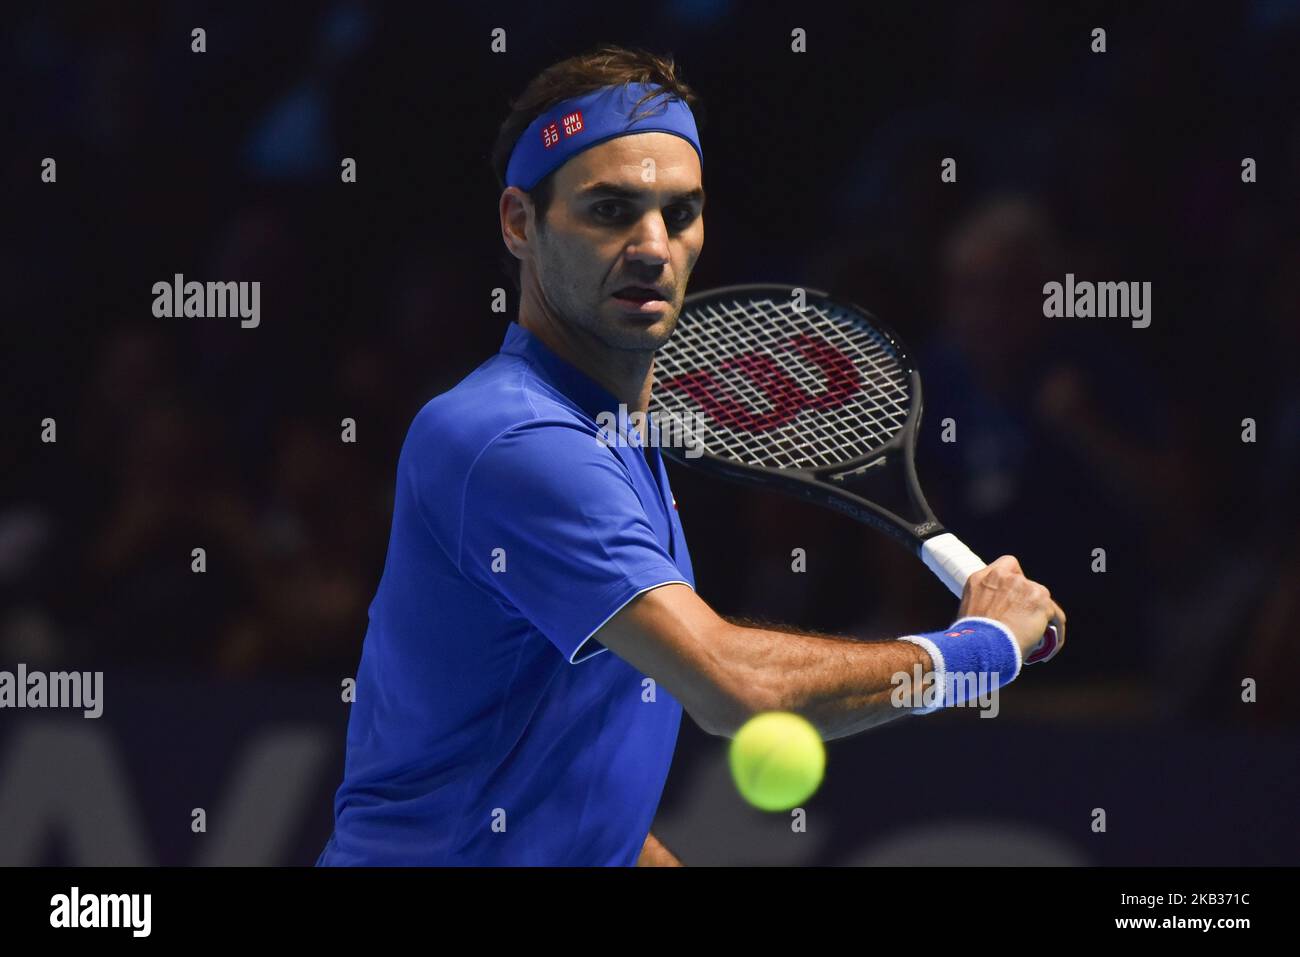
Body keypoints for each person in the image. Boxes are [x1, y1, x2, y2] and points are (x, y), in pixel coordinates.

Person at [317, 45, 1066, 867]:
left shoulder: (613, 436)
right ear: (519, 222)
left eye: (679, 213)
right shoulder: (512, 440)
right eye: (609, 210)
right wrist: (978, 652)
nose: (653, 246)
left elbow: (559, 786)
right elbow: (736, 688)